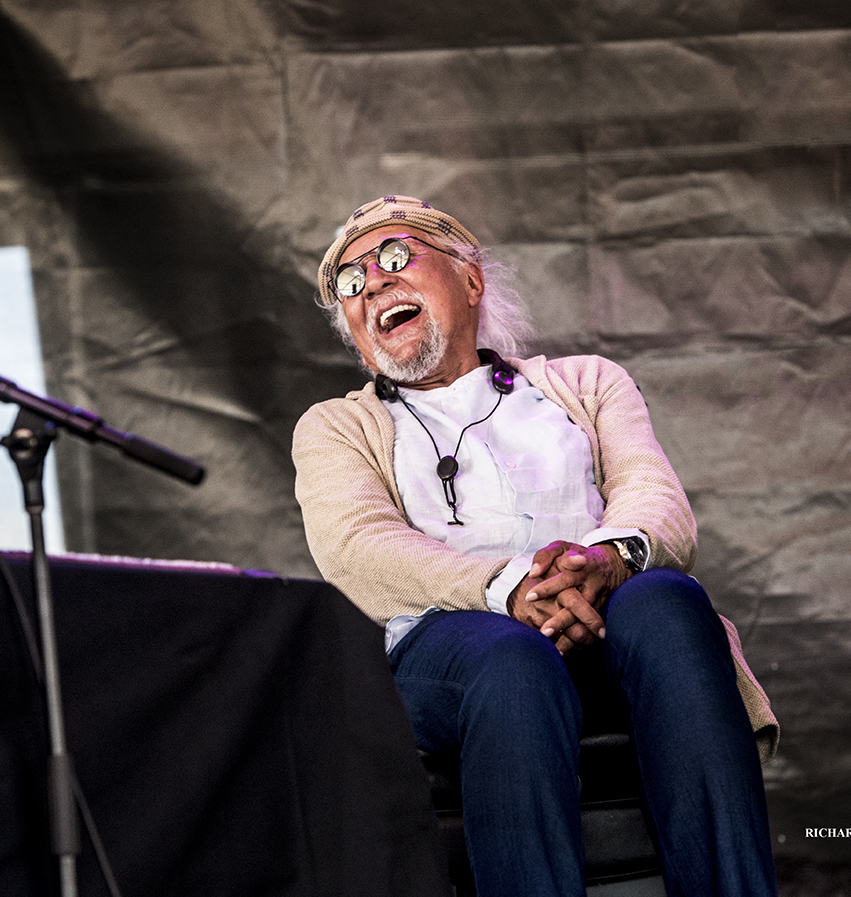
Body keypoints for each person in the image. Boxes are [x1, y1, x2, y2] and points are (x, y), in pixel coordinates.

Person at [292, 195, 780, 897]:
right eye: (350, 284)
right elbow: (358, 548)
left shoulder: (585, 383)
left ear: (470, 278)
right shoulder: (336, 427)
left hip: (607, 617)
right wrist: (509, 589)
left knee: (669, 598)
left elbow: (656, 500)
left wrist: (602, 562)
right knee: (511, 655)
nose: (371, 284)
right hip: (450, 651)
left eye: (394, 258)